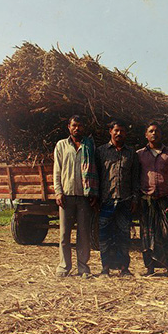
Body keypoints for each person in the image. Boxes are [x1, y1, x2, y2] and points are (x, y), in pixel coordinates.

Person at [52, 115, 99, 278]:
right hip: (67, 196)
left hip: (85, 196)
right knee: (64, 235)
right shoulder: (61, 145)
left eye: (79, 126)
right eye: (74, 125)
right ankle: (64, 267)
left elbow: (96, 169)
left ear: (83, 128)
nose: (77, 128)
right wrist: (58, 191)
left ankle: (83, 268)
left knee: (84, 234)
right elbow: (57, 171)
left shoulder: (90, 145)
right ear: (69, 127)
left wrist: (94, 192)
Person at [96, 120, 140, 277]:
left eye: (122, 131)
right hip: (106, 201)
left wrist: (135, 199)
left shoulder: (131, 153)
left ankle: (124, 268)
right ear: (110, 131)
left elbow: (135, 179)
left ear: (125, 133)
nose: (119, 133)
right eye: (116, 130)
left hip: (125, 201)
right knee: (104, 236)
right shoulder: (101, 152)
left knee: (123, 236)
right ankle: (105, 268)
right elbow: (96, 177)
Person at [137, 122, 168, 276]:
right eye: (151, 131)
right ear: (146, 135)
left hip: (165, 199)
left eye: (157, 131)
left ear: (161, 134)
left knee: (166, 233)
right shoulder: (140, 154)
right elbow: (136, 178)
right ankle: (150, 269)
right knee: (147, 235)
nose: (154, 133)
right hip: (146, 200)